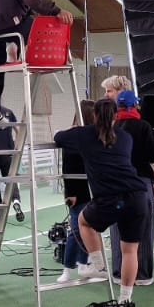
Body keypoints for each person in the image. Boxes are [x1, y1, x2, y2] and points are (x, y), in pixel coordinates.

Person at [53, 99, 154, 303]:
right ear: (116, 116)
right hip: (138, 196)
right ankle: (125, 299)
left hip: (112, 198)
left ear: (94, 116)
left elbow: (58, 137)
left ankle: (98, 266)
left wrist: (79, 130)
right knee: (130, 251)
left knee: (83, 221)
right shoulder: (125, 137)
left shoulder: (84, 134)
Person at [106, 84, 154, 287]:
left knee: (117, 231)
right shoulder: (144, 127)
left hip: (115, 186)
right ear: (135, 105)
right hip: (141, 184)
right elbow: (153, 155)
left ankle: (118, 273)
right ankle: (143, 275)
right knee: (144, 229)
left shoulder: (111, 127)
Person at [55, 99, 103, 284]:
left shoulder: (91, 135)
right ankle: (68, 269)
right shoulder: (73, 136)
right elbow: (67, 166)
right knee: (76, 231)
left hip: (92, 189)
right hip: (78, 190)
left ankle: (83, 264)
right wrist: (70, 193)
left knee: (87, 229)